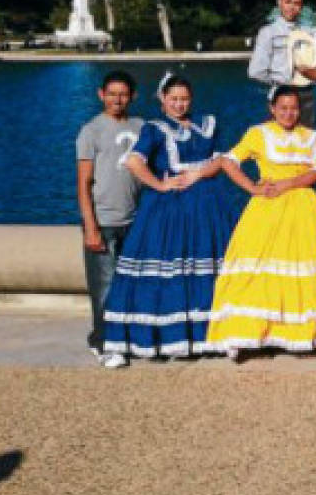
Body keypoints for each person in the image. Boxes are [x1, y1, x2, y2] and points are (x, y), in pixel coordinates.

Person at [102, 74, 236, 361]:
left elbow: (220, 161)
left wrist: (199, 173)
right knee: (171, 268)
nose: (179, 104)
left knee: (205, 266)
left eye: (184, 99)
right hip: (170, 210)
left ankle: (206, 336)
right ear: (162, 99)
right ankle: (168, 337)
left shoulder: (206, 124)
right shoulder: (155, 129)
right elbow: (134, 161)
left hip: (207, 207)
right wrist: (160, 184)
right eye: (173, 99)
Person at [206, 86, 316, 358]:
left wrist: (289, 183)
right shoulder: (258, 133)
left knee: (303, 271)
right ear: (272, 109)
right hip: (268, 206)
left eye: (294, 108)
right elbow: (228, 161)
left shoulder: (309, 136)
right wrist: (251, 187)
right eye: (283, 108)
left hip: (303, 208)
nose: (289, 113)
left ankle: (301, 335)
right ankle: (244, 332)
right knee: (256, 270)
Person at [75, 70, 144, 368]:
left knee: (130, 284)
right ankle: (102, 342)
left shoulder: (141, 127)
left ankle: (126, 338)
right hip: (103, 220)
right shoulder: (91, 131)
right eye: (112, 93)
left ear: (133, 96)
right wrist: (90, 227)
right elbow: (83, 183)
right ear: (101, 95)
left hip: (134, 219)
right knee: (103, 286)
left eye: (124, 94)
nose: (118, 99)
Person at [248, 0, 316, 127]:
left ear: (301, 7)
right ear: (279, 2)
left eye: (296, 3)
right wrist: (282, 81)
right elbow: (255, 71)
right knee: (278, 142)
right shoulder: (268, 32)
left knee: (307, 141)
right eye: (288, 2)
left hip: (306, 96)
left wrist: (312, 75)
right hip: (281, 94)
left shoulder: (311, 34)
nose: (292, 7)